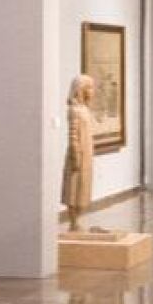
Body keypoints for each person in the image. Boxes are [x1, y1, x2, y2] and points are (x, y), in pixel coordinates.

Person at [63, 75, 96, 232]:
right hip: (78, 155)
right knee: (74, 188)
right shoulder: (75, 110)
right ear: (80, 90)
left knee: (83, 188)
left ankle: (76, 221)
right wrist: (75, 154)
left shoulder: (84, 109)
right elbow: (73, 134)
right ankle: (73, 222)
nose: (92, 91)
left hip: (87, 153)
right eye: (89, 87)